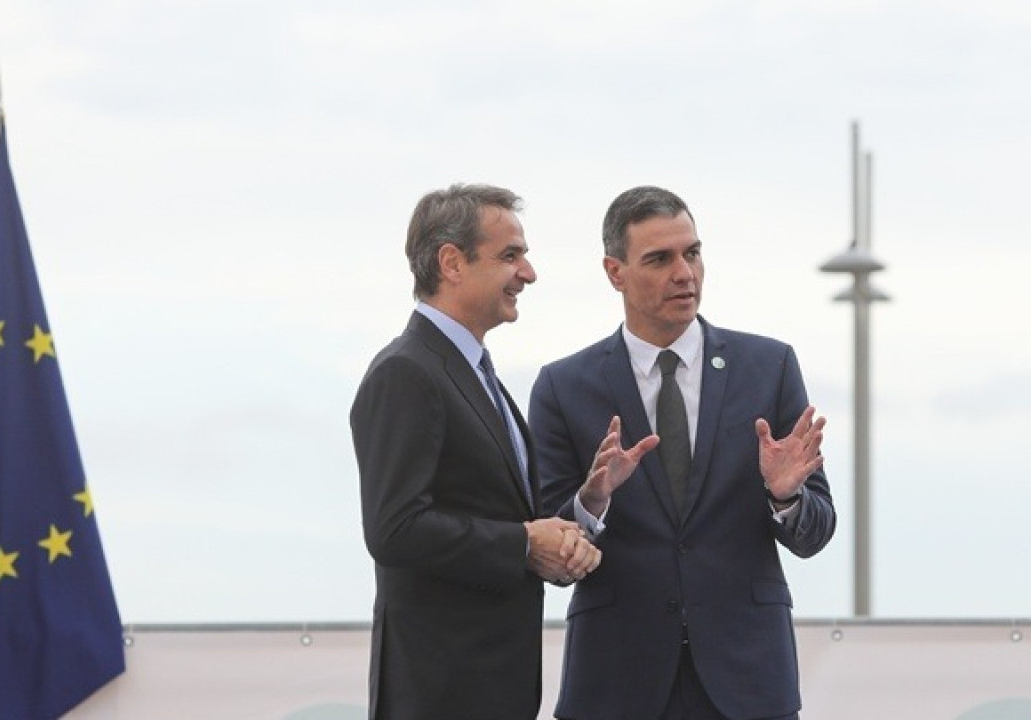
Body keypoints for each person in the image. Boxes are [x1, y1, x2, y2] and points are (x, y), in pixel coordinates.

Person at [529, 186, 837, 720]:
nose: (684, 273)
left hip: (747, 681)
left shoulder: (770, 367)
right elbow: (550, 556)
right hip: (616, 681)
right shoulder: (564, 387)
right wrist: (591, 502)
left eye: (692, 253)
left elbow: (816, 533)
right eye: (659, 259)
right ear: (615, 272)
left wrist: (785, 496)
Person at [351, 183, 603, 719]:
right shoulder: (406, 372)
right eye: (510, 255)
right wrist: (523, 544)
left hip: (493, 691)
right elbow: (394, 529)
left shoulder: (477, 376)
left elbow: (504, 517)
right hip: (440, 696)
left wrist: (581, 515)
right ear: (451, 263)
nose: (528, 273)